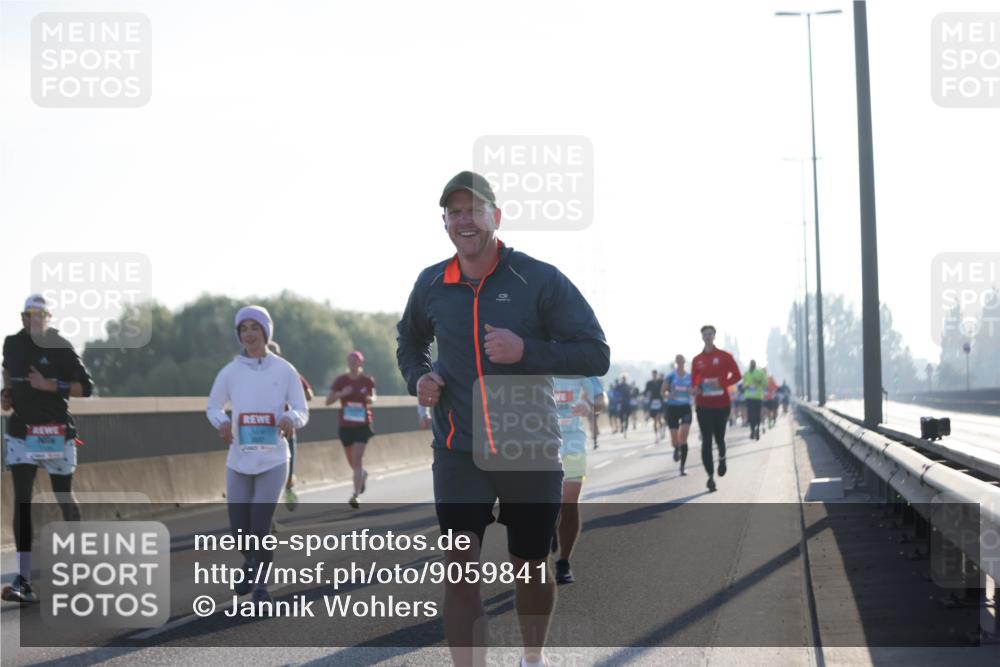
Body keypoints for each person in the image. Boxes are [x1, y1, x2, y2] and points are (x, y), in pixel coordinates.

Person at [396, 171, 610, 667]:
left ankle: (532, 659)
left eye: (474, 210)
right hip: (457, 449)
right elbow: (409, 340)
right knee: (460, 572)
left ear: (497, 215)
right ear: (445, 222)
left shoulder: (538, 278)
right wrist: (419, 378)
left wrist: (525, 350)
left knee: (532, 568)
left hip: (528, 447)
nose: (464, 221)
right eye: (455, 213)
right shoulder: (432, 283)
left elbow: (595, 353)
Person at [206, 305, 308, 606]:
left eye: (254, 327)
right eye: (243, 329)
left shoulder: (284, 369)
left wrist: (293, 420)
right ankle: (251, 563)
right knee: (239, 530)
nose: (249, 334)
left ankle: (260, 583)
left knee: (260, 525)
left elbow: (302, 408)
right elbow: (213, 406)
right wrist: (222, 422)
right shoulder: (230, 371)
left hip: (274, 459)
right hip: (239, 460)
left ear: (266, 332)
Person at [2, 295, 94, 604]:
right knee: (23, 501)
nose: (36, 319)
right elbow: (8, 374)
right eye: (31, 314)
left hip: (56, 431)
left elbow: (87, 388)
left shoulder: (61, 347)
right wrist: (7, 394)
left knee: (64, 497)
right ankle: (24, 580)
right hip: (21, 431)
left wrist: (49, 385)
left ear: (49, 317)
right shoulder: (11, 344)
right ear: (23, 317)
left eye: (41, 314)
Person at [552, 376, 606, 584]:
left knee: (569, 499)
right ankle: (550, 524)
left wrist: (590, 405)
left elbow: (602, 400)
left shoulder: (580, 361)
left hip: (572, 440)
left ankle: (563, 562)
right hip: (541, 439)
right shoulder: (536, 354)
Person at [691, 325, 742, 493]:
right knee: (706, 440)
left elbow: (737, 375)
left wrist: (721, 383)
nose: (707, 337)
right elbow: (694, 381)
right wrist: (697, 388)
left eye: (710, 334)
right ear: (701, 337)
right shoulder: (697, 360)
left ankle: (722, 457)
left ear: (714, 336)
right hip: (703, 405)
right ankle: (710, 477)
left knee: (719, 438)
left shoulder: (725, 356)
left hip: (722, 404)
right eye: (704, 334)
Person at [266, 340, 314, 512]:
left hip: (285, 430)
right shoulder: (251, 374)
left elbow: (308, 395)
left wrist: (292, 403)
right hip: (260, 431)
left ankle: (289, 489)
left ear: (279, 355)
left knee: (285, 470)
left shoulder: (288, 372)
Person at [326, 351, 376, 509]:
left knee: (357, 459)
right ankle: (362, 475)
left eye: (356, 361)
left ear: (361, 363)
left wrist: (370, 399)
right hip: (346, 425)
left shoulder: (367, 380)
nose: (353, 363)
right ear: (347, 363)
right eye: (350, 361)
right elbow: (328, 401)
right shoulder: (341, 380)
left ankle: (355, 495)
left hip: (362, 425)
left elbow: (374, 397)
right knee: (353, 463)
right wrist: (342, 393)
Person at [663, 355, 694, 476]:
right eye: (678, 361)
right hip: (673, 408)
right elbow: (663, 390)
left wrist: (692, 391)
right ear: (676, 362)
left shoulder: (690, 377)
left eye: (682, 361)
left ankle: (682, 467)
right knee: (675, 439)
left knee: (684, 437)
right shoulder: (670, 376)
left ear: (684, 362)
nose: (680, 363)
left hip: (685, 407)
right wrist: (668, 395)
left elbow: (694, 389)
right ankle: (676, 448)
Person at [743, 360, 767, 440]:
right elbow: (743, 385)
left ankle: (756, 428)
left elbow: (765, 384)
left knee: (756, 414)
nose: (752, 365)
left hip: (757, 397)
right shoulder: (746, 373)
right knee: (750, 414)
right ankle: (753, 430)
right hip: (749, 397)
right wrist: (746, 386)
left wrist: (759, 382)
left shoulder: (760, 373)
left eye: (753, 363)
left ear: (755, 365)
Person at [643, 370, 664, 443]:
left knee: (659, 418)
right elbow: (645, 391)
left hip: (659, 402)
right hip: (652, 403)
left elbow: (665, 389)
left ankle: (661, 431)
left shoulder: (660, 382)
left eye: (655, 374)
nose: (654, 375)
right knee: (655, 421)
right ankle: (656, 436)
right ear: (652, 375)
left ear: (657, 374)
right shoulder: (649, 383)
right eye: (653, 374)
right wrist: (645, 394)